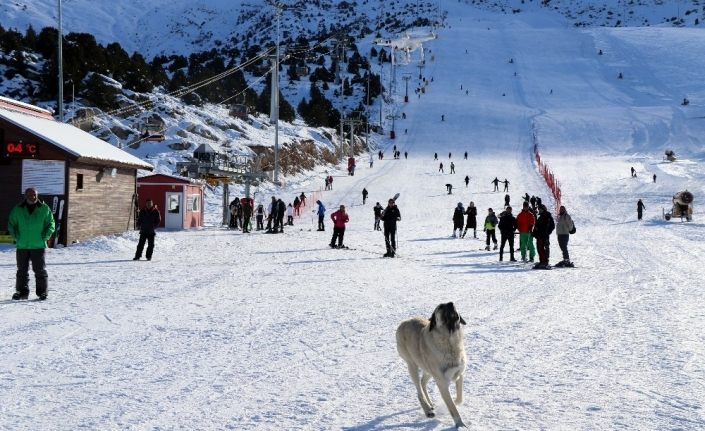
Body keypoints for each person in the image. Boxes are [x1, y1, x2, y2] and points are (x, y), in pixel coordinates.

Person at [8, 187, 55, 300]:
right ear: (25, 195)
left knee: (39, 270)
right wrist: (16, 237)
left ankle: (42, 292)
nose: (32, 196)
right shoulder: (18, 209)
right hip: (22, 245)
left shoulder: (44, 208)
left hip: (38, 245)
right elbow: (11, 224)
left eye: (34, 194)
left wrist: (46, 236)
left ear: (37, 195)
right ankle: (21, 292)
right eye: (29, 194)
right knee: (22, 270)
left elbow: (51, 224)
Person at [532, 204, 555, 269]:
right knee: (540, 248)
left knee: (542, 249)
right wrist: (535, 232)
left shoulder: (547, 216)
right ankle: (542, 261)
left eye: (540, 209)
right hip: (539, 235)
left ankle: (544, 262)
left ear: (543, 209)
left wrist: (547, 232)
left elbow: (552, 226)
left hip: (543, 236)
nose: (539, 210)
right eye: (539, 209)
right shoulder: (541, 216)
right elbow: (537, 226)